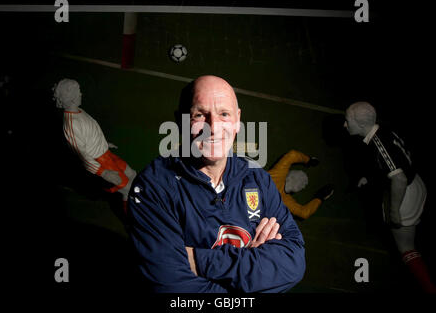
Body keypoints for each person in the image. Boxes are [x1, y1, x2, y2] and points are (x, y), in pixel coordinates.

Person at [127, 75, 305, 293]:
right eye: (200, 115)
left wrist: (199, 260)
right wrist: (254, 268)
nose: (213, 127)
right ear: (180, 120)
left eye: (224, 114)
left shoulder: (257, 178)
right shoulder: (153, 188)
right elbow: (173, 288)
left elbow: (293, 263)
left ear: (238, 121)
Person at [344, 101, 436, 293]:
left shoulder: (378, 145)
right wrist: (369, 177)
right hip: (416, 183)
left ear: (361, 125)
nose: (345, 125)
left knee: (406, 247)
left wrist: (394, 211)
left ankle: (429, 288)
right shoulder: (382, 132)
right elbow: (390, 163)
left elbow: (399, 179)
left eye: (347, 121)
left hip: (405, 197)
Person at [53, 78, 136, 213]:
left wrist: (104, 143)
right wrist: (104, 173)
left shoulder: (78, 111)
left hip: (106, 155)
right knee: (128, 189)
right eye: (78, 92)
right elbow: (82, 156)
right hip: (101, 163)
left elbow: (90, 133)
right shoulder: (71, 125)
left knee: (132, 174)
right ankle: (131, 218)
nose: (81, 94)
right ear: (72, 98)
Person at [268, 150, 334, 219]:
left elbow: (304, 213)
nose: (302, 186)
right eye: (300, 182)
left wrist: (308, 160)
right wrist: (320, 197)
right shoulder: (284, 199)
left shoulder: (279, 173)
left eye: (302, 184)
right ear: (289, 176)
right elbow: (304, 213)